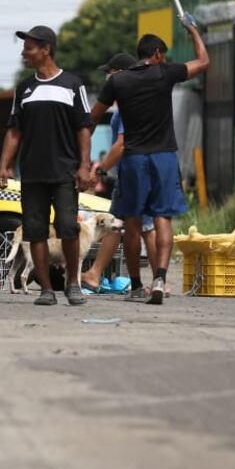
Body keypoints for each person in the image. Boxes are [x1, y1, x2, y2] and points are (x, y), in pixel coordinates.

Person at [89, 21, 209, 305]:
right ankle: (160, 279)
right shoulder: (164, 73)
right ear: (156, 54)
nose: (164, 59)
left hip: (133, 159)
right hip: (164, 158)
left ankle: (135, 286)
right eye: (163, 55)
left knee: (131, 224)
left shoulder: (117, 82)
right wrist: (193, 31)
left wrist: (85, 158)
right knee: (162, 218)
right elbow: (204, 62)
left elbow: (91, 117)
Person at [0, 26, 93, 306]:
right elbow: (14, 130)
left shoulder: (73, 84)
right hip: (33, 172)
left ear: (46, 49)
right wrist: (4, 165)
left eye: (28, 48)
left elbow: (83, 129)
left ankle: (72, 284)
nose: (23, 53)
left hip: (65, 171)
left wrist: (84, 166)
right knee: (35, 231)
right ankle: (46, 290)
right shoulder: (24, 88)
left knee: (67, 227)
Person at [82, 53, 157, 292]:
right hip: (133, 174)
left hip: (135, 175)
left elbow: (122, 145)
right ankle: (94, 274)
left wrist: (100, 170)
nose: (106, 78)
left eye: (109, 73)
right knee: (117, 224)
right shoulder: (132, 103)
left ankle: (159, 281)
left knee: (146, 227)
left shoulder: (128, 105)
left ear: (120, 74)